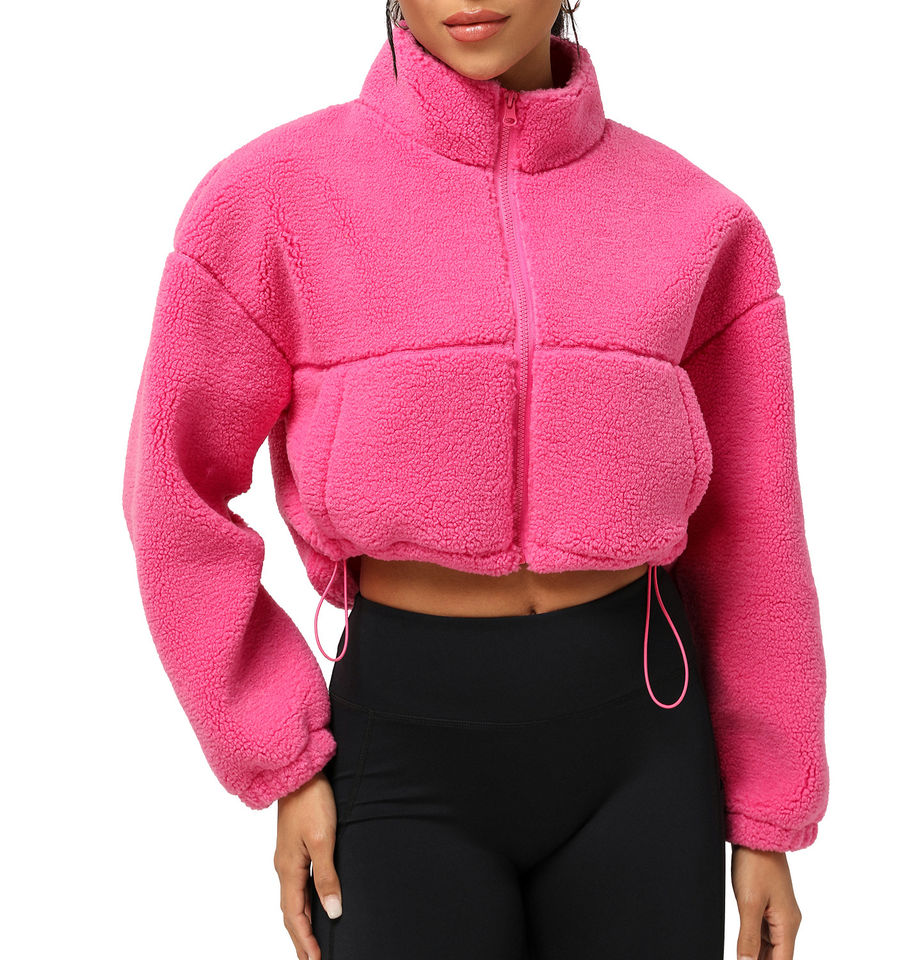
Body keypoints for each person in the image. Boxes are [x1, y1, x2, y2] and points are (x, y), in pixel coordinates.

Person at [122, 3, 829, 958]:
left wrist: (767, 812)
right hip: (399, 757)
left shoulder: (698, 221)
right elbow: (171, 493)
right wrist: (279, 755)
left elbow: (757, 533)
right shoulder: (274, 199)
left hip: (644, 751)